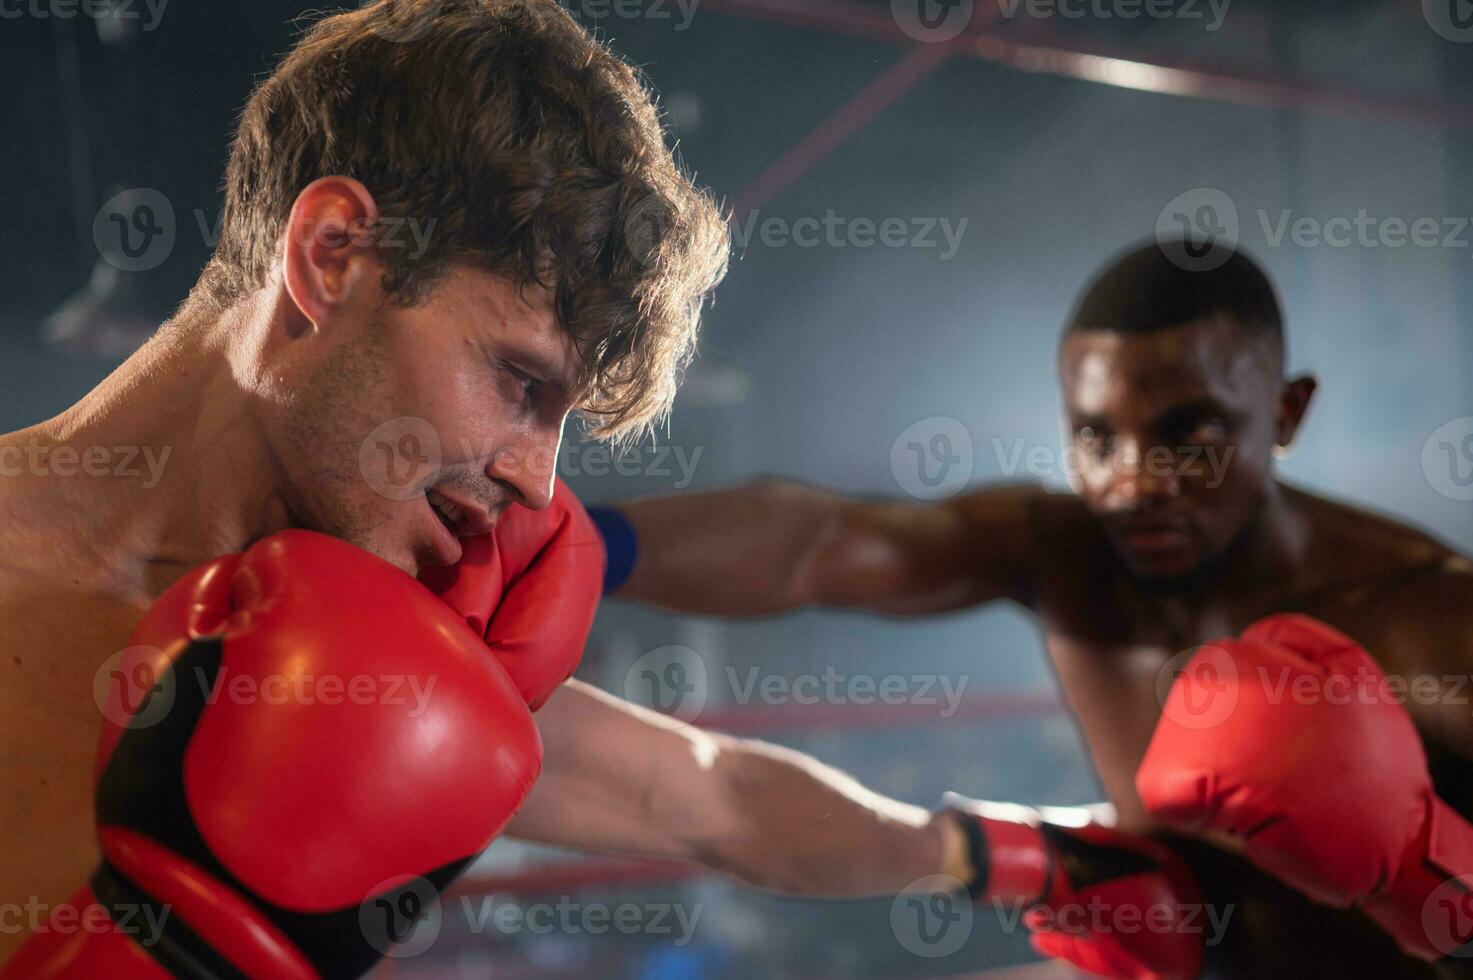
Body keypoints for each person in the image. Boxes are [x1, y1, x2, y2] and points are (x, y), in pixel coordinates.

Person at [0, 2, 1186, 974]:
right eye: (520, 379)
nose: (535, 478)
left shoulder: (366, 660)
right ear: (332, 256)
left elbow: (713, 795)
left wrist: (1048, 859)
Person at [592, 240, 1473, 976]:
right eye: (1097, 438)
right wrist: (582, 547)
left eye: (1188, 438)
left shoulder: (1427, 619)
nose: (1130, 483)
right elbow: (815, 546)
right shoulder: (1064, 551)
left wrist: (1429, 885)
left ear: (1284, 412)